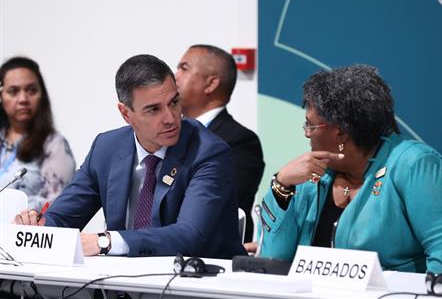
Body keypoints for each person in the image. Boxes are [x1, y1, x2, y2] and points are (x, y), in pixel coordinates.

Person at [15, 54, 247, 259]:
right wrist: (38, 227)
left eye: (174, 102)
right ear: (126, 113)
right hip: (122, 284)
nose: (170, 118)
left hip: (197, 286)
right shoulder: (106, 148)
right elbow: (63, 218)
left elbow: (189, 235)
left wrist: (104, 242)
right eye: (153, 109)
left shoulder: (209, 152)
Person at [257, 65, 442, 274]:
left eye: (311, 125)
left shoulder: (414, 164)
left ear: (341, 132)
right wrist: (282, 185)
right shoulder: (310, 174)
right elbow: (273, 261)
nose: (307, 134)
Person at [176, 44, 265, 242]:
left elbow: (217, 203)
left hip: (212, 254)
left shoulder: (240, 141)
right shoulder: (168, 134)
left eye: (184, 68)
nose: (175, 76)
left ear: (211, 84)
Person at [0, 57, 75, 210]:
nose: (23, 99)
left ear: (42, 95)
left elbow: (58, 204)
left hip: (22, 232)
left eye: (31, 90)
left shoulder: (54, 145)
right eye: (13, 92)